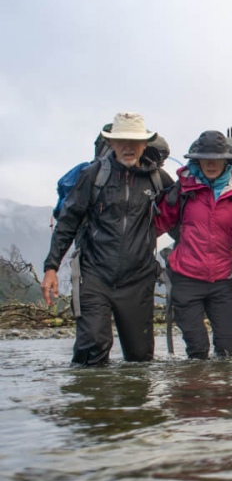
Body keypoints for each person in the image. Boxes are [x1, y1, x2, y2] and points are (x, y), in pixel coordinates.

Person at [42, 112, 174, 365]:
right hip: (94, 276)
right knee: (92, 347)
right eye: (121, 141)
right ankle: (89, 403)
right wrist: (51, 267)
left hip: (138, 279)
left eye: (134, 142)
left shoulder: (157, 179)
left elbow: (182, 217)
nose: (128, 148)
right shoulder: (93, 176)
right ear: (111, 144)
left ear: (145, 145)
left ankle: (133, 405)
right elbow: (67, 222)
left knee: (140, 360)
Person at [154, 130, 232, 359]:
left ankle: (224, 393)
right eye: (205, 158)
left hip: (222, 279)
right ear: (197, 159)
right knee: (197, 350)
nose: (210, 163)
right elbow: (159, 223)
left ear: (226, 160)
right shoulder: (183, 188)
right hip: (185, 278)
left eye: (216, 158)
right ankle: (193, 393)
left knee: (228, 351)